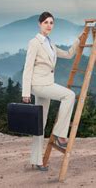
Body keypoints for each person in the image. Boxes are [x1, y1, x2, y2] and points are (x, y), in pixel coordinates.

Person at [21, 11, 83, 171]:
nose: (49, 25)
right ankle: (60, 135)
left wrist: (79, 39)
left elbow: (69, 55)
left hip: (46, 84)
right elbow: (27, 68)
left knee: (39, 123)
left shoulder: (50, 43)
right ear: (39, 24)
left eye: (51, 23)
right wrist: (26, 92)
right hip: (39, 85)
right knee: (69, 95)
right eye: (46, 22)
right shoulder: (34, 43)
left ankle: (37, 161)